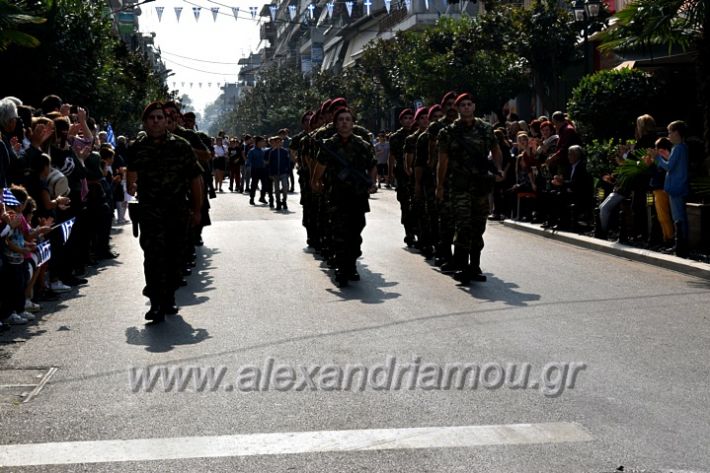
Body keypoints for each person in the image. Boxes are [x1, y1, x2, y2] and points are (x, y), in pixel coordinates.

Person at [126, 102, 203, 322]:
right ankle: (156, 303)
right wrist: (130, 191)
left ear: (166, 121)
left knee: (174, 257)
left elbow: (195, 179)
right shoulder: (137, 147)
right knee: (152, 256)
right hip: (150, 212)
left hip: (177, 211)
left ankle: (168, 296)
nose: (156, 121)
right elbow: (131, 175)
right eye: (152, 118)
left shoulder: (181, 146)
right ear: (145, 122)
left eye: (160, 117)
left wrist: (197, 210)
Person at [436, 93, 502, 284]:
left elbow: (496, 151)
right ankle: (462, 266)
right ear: (457, 109)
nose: (466, 107)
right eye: (462, 105)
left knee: (478, 227)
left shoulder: (486, 129)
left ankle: (475, 266)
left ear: (474, 106)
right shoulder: (448, 132)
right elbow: (443, 161)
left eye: (469, 104)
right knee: (463, 226)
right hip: (459, 186)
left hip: (481, 185)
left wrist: (497, 169)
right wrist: (440, 186)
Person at [311, 108, 377, 287]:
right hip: (336, 194)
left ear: (353, 123)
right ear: (335, 123)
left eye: (348, 119)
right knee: (339, 231)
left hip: (357, 195)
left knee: (356, 230)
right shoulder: (329, 145)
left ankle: (351, 264)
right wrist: (316, 181)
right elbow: (320, 166)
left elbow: (372, 165)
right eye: (341, 120)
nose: (345, 123)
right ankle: (341, 267)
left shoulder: (362, 144)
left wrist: (372, 182)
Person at [646, 120, 690, 257]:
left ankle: (680, 246)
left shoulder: (678, 148)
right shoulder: (683, 148)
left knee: (678, 217)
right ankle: (680, 245)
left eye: (670, 132)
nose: (668, 135)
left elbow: (668, 166)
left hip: (676, 188)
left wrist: (657, 157)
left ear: (677, 133)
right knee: (679, 217)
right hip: (678, 187)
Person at [266, 136, 291, 210]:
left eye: (280, 142)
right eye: (277, 142)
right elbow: (270, 163)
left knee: (285, 187)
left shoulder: (285, 151)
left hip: (283, 172)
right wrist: (270, 173)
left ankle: (284, 200)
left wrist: (289, 171)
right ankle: (278, 202)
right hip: (275, 173)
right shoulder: (272, 152)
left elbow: (288, 162)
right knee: (276, 189)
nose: (278, 143)